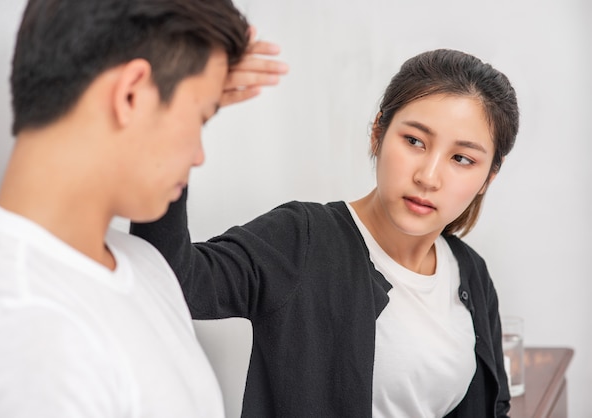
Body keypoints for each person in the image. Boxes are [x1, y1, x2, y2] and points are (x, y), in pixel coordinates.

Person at [131, 48, 519, 418]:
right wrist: (173, 128)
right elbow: (168, 281)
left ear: (488, 177)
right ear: (378, 134)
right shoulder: (303, 240)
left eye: (462, 159)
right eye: (414, 141)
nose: (428, 176)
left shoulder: (469, 271)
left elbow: (491, 404)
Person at [0, 0, 287, 416]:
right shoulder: (28, 338)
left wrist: (190, 93)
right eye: (202, 119)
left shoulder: (141, 263)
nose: (198, 156)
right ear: (131, 94)